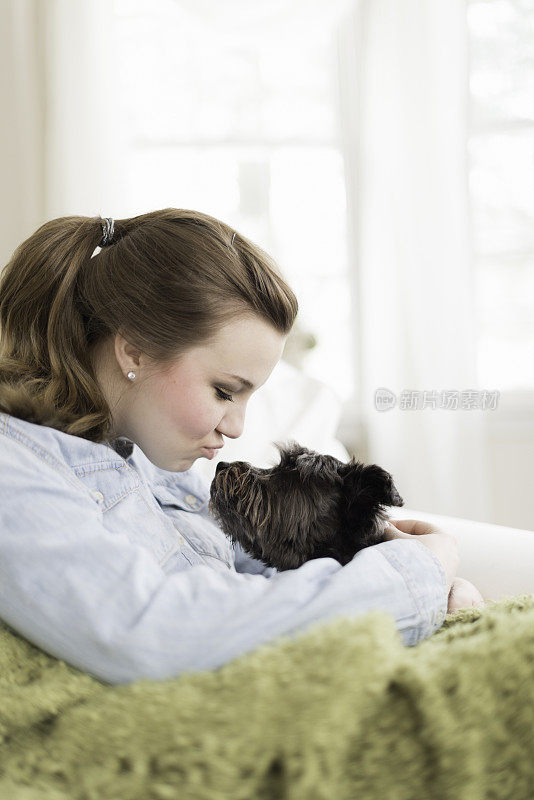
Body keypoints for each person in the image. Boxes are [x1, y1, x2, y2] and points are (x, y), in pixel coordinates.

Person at [0, 208, 458, 685]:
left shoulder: (149, 466)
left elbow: (270, 585)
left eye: (249, 396)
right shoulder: (14, 471)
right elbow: (155, 635)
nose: (238, 428)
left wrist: (435, 579)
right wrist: (419, 572)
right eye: (224, 391)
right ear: (134, 350)